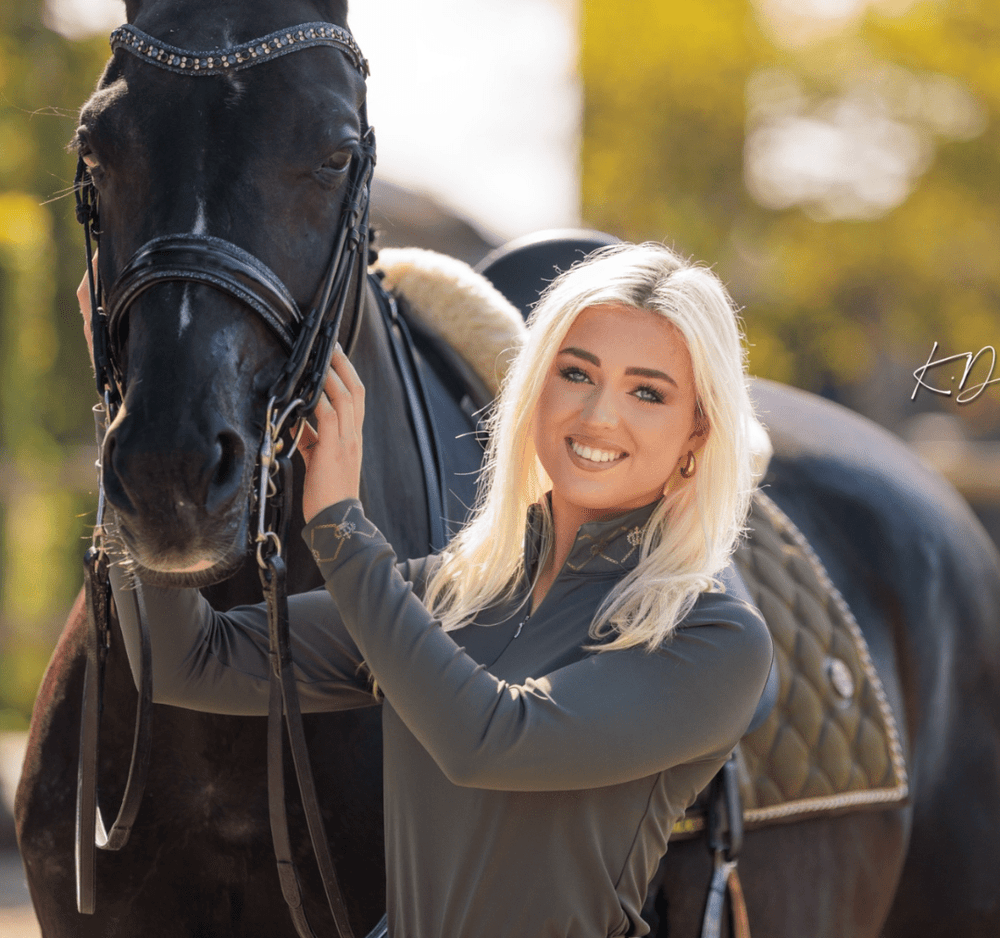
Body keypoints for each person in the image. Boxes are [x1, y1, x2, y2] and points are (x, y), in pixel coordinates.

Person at [91, 242, 772, 938]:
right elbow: (181, 659)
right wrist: (135, 420)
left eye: (647, 392)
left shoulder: (713, 638)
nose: (599, 415)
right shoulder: (448, 593)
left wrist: (339, 528)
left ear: (697, 432)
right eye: (576, 373)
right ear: (536, 387)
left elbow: (494, 741)